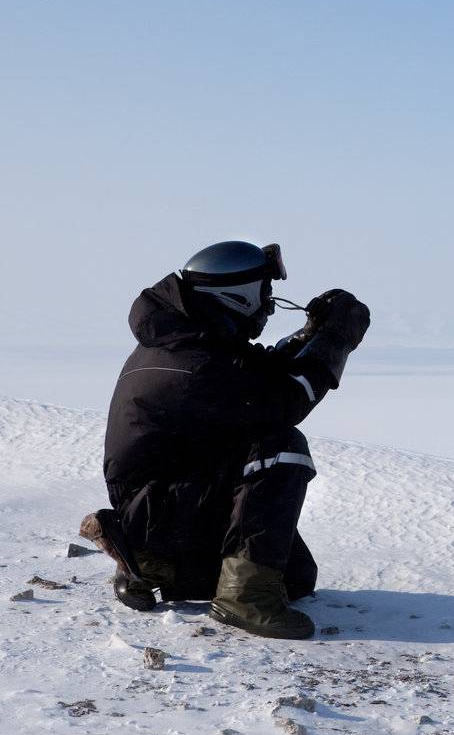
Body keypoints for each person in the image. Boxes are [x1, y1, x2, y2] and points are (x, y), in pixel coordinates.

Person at [80, 241, 369, 639]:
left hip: (162, 504)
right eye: (264, 293)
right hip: (160, 510)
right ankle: (243, 599)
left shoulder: (185, 340)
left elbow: (261, 374)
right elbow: (284, 400)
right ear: (239, 296)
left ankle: (151, 566)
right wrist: (336, 338)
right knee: (281, 448)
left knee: (296, 577)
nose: (268, 305)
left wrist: (311, 334)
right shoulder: (192, 363)